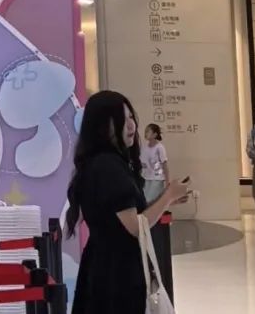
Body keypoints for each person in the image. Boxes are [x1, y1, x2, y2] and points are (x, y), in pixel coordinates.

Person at [66, 91, 190, 313]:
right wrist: (168, 196)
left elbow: (125, 214)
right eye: (121, 119)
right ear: (102, 125)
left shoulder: (103, 162)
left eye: (131, 116)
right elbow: (135, 227)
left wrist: (166, 200)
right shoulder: (108, 166)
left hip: (105, 266)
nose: (131, 125)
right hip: (116, 274)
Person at [140, 123, 169, 206]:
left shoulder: (160, 148)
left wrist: (167, 182)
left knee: (152, 201)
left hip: (157, 179)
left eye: (148, 131)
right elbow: (142, 163)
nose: (145, 133)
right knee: (144, 201)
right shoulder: (144, 148)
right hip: (146, 178)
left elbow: (164, 165)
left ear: (155, 134)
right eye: (145, 131)